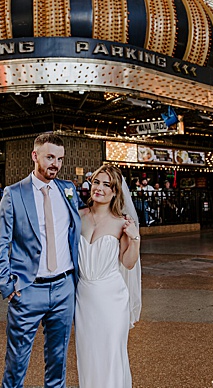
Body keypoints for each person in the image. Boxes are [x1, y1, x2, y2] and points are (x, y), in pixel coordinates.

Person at [0, 133, 81, 388]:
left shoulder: (68, 190)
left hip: (64, 287)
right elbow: (1, 242)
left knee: (58, 363)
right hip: (28, 289)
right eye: (50, 157)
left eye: (60, 159)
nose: (55, 163)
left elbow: (79, 225)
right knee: (16, 365)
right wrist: (7, 285)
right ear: (35, 156)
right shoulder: (14, 193)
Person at [76, 164, 141, 387]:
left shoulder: (122, 223)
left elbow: (129, 263)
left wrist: (134, 238)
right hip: (83, 298)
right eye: (96, 182)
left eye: (107, 185)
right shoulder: (78, 216)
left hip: (112, 299)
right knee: (88, 356)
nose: (99, 188)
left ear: (115, 192)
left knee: (112, 354)